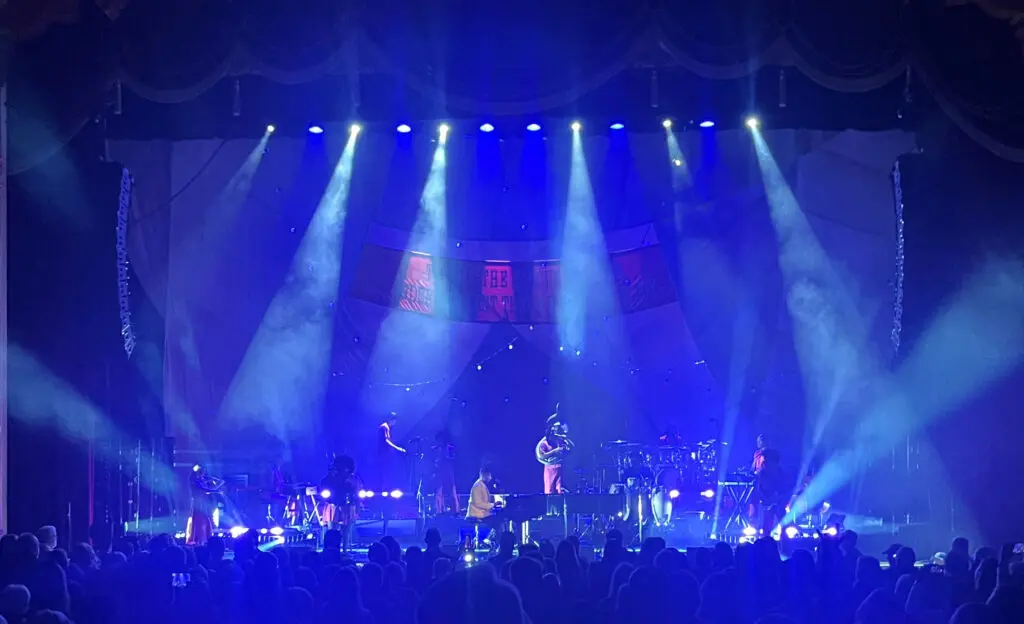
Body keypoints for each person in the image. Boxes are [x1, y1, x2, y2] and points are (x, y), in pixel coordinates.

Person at [320, 455, 361, 552]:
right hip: (333, 504)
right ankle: (333, 549)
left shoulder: (352, 479)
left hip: (346, 505)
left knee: (345, 530)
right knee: (333, 530)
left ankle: (344, 550)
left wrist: (357, 505)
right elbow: (324, 486)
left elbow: (356, 493)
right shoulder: (331, 477)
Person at [535, 406, 573, 494]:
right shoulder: (544, 443)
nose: (555, 430)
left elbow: (571, 448)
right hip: (550, 470)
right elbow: (542, 456)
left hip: (559, 468)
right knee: (550, 492)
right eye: (553, 428)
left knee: (560, 492)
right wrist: (555, 451)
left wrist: (566, 438)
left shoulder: (559, 440)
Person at [186, 465, 221, 546]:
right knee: (199, 521)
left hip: (203, 503)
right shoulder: (195, 481)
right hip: (198, 504)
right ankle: (198, 541)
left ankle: (204, 540)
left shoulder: (201, 480)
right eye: (202, 471)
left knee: (205, 520)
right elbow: (205, 489)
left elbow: (209, 488)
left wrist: (214, 482)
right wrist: (216, 489)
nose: (203, 473)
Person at [377, 413, 406, 491]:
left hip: (386, 454)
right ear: (391, 419)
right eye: (394, 420)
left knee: (387, 472)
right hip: (384, 455)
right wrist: (397, 448)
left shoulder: (386, 427)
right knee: (385, 472)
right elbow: (386, 440)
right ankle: (385, 489)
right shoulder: (384, 427)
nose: (395, 422)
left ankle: (387, 488)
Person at [433, 430, 460, 515]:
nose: (439, 441)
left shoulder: (449, 448)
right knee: (439, 491)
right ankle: (439, 510)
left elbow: (454, 458)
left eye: (440, 439)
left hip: (448, 471)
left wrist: (446, 457)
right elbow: (434, 460)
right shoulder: (435, 449)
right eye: (437, 440)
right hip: (440, 472)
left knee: (452, 490)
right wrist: (436, 463)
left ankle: (456, 510)